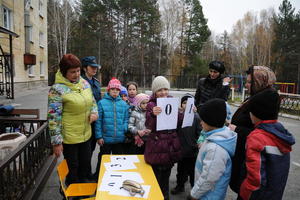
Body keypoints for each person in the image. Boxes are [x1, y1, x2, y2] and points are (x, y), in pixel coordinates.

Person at [48, 54, 98, 185]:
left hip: (85, 133)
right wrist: (56, 142)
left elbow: (93, 101)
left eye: (78, 71)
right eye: (72, 72)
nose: (76, 74)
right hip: (70, 137)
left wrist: (94, 112)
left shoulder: (84, 83)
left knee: (85, 163)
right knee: (73, 167)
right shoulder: (57, 90)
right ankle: (72, 191)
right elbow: (53, 118)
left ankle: (82, 188)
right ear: (64, 72)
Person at [229, 66, 277, 196]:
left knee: (245, 190)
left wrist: (236, 129)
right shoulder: (254, 98)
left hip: (250, 156)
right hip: (243, 151)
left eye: (250, 82)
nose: (246, 85)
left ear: (260, 83)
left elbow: (263, 134)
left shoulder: (264, 103)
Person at [240, 89, 295, 200]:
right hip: (275, 193)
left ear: (256, 113)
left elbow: (256, 179)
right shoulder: (280, 134)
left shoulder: (256, 138)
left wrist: (245, 193)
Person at [187, 98, 237, 200]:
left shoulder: (215, 149)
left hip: (209, 195)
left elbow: (208, 178)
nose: (201, 123)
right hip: (208, 193)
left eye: (203, 120)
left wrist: (193, 194)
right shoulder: (213, 136)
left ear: (211, 121)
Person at [144, 76, 182, 200]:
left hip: (170, 148)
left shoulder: (172, 102)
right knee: (155, 180)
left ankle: (165, 196)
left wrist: (187, 112)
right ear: (155, 91)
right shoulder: (151, 105)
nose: (163, 92)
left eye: (166, 89)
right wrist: (153, 115)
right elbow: (149, 125)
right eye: (160, 90)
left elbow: (178, 122)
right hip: (156, 148)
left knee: (165, 179)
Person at [94, 78, 129, 179]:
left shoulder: (123, 104)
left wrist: (124, 128)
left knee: (119, 160)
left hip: (119, 138)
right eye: (113, 89)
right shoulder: (101, 103)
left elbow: (126, 119)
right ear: (108, 90)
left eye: (117, 90)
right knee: (103, 159)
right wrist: (99, 136)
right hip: (106, 139)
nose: (115, 91)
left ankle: (117, 178)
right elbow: (98, 121)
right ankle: (99, 176)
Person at [171, 94, 201, 195]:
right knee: (181, 170)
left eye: (189, 103)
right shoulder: (179, 117)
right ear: (181, 105)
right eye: (184, 103)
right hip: (181, 150)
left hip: (192, 151)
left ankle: (194, 190)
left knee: (193, 172)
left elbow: (200, 132)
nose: (186, 105)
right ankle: (180, 186)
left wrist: (197, 144)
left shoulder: (196, 117)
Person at [81, 56, 102, 178]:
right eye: (92, 67)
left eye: (96, 67)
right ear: (85, 68)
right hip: (84, 121)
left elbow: (98, 101)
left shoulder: (96, 82)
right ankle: (84, 174)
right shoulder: (80, 82)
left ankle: (87, 173)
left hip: (95, 121)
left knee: (91, 148)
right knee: (85, 151)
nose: (95, 69)